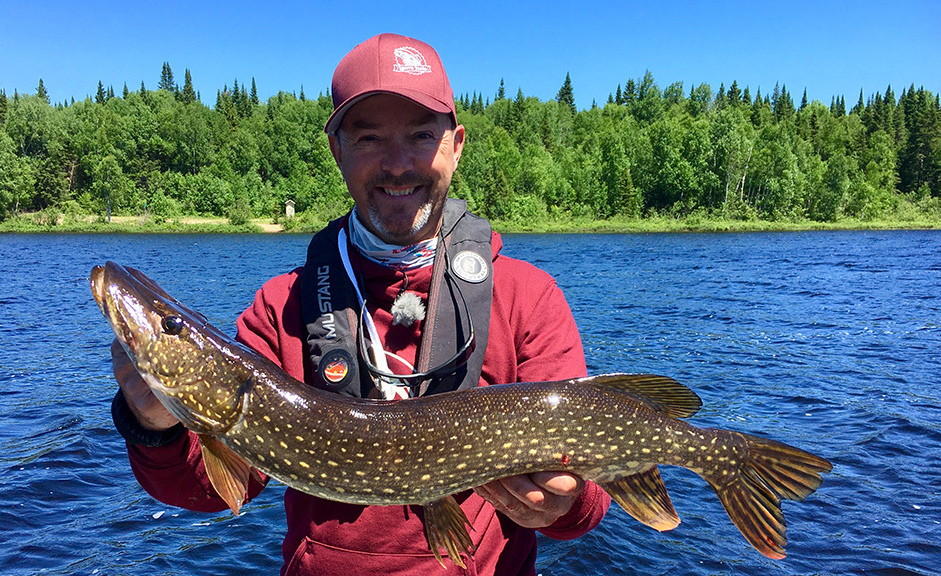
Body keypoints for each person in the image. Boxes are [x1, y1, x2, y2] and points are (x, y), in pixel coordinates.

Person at [109, 33, 610, 575]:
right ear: (337, 150)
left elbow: (586, 507)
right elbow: (212, 490)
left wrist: (565, 502)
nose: (398, 164)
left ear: (456, 144)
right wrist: (155, 422)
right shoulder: (282, 307)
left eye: (421, 135)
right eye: (369, 138)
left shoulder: (528, 298)